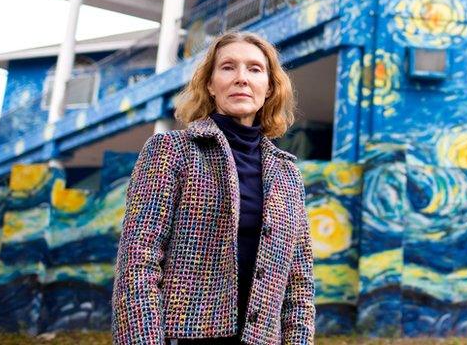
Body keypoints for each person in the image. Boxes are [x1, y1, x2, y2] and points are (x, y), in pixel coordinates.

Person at [112, 31, 315, 344]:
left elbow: (298, 284)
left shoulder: (287, 172)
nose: (241, 79)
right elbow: (138, 261)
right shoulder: (171, 150)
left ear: (270, 87)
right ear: (210, 83)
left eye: (255, 69)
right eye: (228, 67)